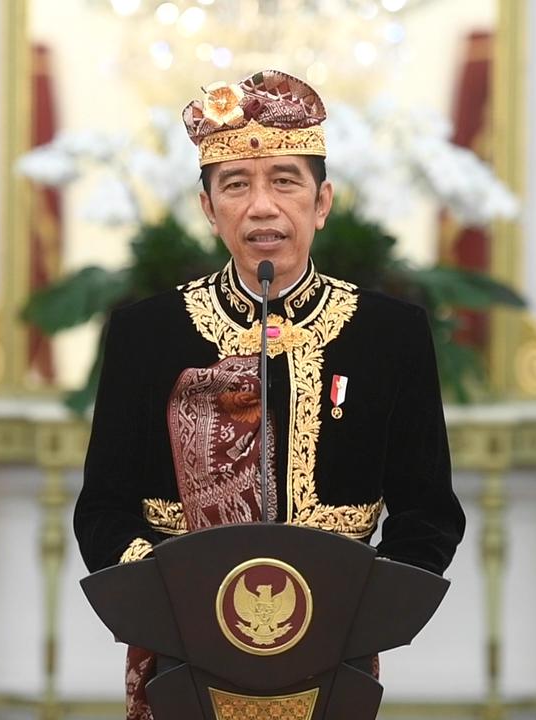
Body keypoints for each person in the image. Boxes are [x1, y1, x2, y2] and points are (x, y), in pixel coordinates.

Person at [73, 69, 465, 719]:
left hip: (334, 640)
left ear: (322, 202)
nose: (261, 206)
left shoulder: (389, 334)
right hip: (180, 642)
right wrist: (171, 597)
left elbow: (428, 514)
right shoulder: (148, 333)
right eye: (236, 185)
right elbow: (104, 510)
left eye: (285, 181)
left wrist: (366, 604)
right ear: (208, 208)